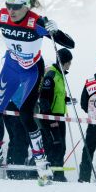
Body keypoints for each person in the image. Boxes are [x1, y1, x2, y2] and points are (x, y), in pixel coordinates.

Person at [0, 0, 74, 178]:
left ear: (26, 7)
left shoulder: (36, 22)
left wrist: (57, 30)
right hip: (11, 68)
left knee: (26, 115)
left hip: (32, 71)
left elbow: (70, 44)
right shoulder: (2, 16)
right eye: (8, 5)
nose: (11, 10)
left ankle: (40, 158)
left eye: (16, 7)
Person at [39, 48, 73, 182]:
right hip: (51, 117)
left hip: (60, 116)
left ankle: (57, 173)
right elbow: (44, 98)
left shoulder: (60, 75)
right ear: (63, 62)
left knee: (61, 146)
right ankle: (51, 174)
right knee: (54, 145)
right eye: (69, 62)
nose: (70, 65)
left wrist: (66, 100)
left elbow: (56, 95)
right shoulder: (51, 75)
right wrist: (50, 119)